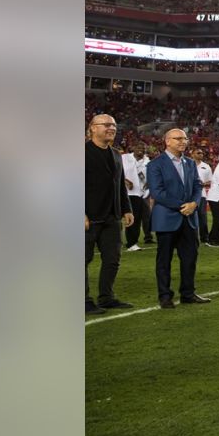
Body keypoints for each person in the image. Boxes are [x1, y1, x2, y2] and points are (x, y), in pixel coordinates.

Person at [147, 128, 209, 308]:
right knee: (164, 260)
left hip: (189, 217)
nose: (183, 141)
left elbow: (198, 187)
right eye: (178, 138)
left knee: (190, 258)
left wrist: (194, 204)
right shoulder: (155, 164)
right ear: (167, 141)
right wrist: (183, 205)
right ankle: (165, 296)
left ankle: (188, 294)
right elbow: (157, 193)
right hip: (167, 218)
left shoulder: (190, 163)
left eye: (185, 138)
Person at [85, 114, 134, 314]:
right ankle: (83, 301)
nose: (111, 128)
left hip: (112, 217)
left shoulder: (116, 154)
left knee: (112, 259)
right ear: (92, 128)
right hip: (89, 217)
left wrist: (126, 208)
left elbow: (120, 184)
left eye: (113, 125)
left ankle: (106, 297)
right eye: (106, 125)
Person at [122, 143, 147, 251]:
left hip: (138, 194)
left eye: (142, 148)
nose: (140, 149)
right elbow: (115, 171)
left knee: (135, 219)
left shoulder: (147, 162)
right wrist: (125, 181)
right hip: (123, 192)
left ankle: (132, 243)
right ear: (133, 148)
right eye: (138, 147)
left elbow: (147, 177)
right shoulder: (124, 158)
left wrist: (148, 183)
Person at [193, 148, 212, 245]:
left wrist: (203, 183)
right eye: (198, 152)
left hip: (202, 194)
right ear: (192, 154)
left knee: (202, 216)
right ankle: (192, 237)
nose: (201, 154)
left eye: (202, 153)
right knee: (190, 217)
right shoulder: (187, 164)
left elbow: (210, 181)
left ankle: (204, 237)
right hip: (190, 195)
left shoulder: (206, 166)